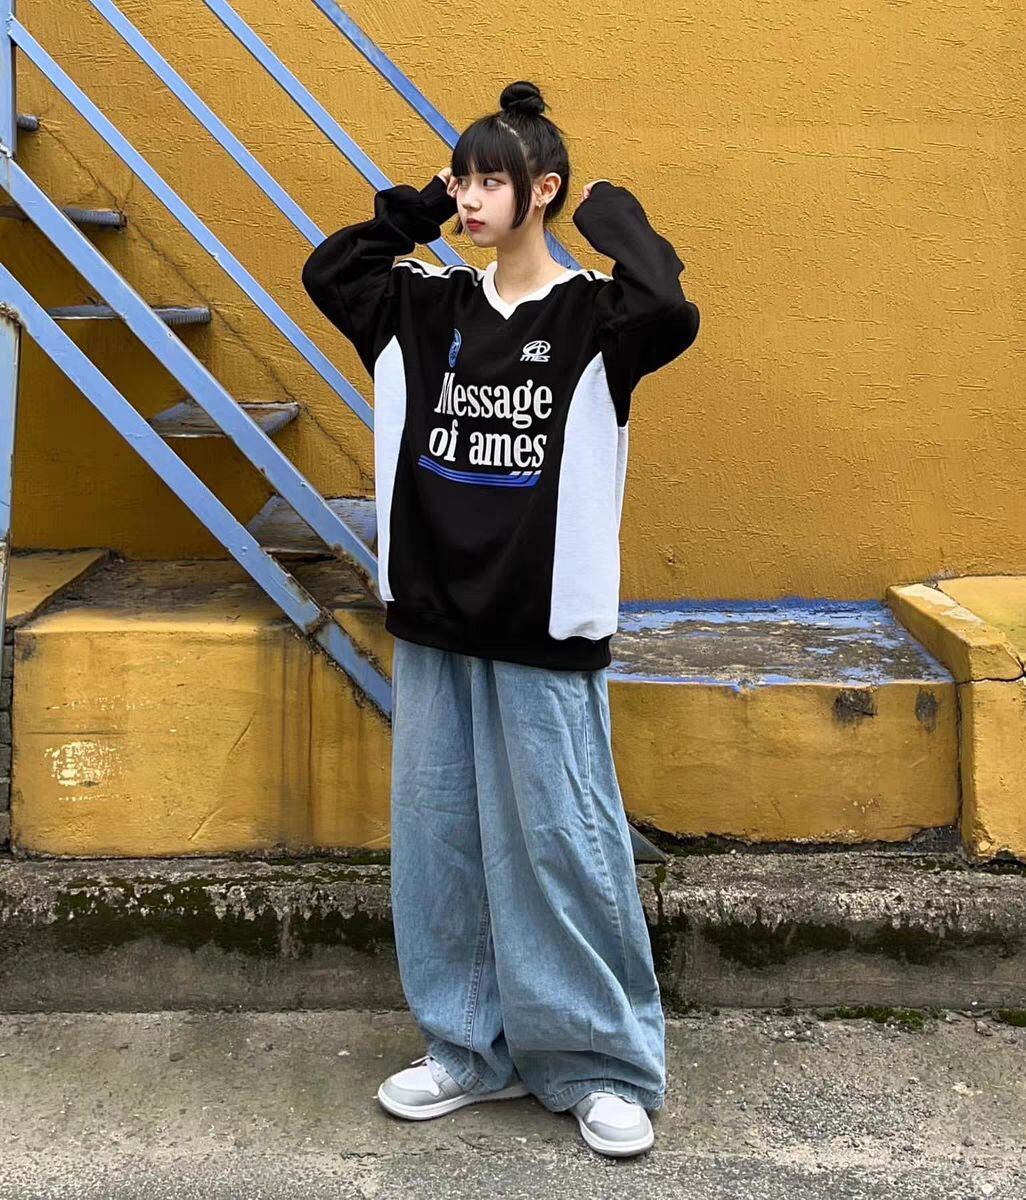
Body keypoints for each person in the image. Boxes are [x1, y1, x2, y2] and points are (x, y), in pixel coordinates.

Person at [301, 79, 700, 1158]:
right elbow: (330, 269)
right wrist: (421, 208)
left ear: (542, 190)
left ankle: (599, 1064)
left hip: (543, 625)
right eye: (462, 180)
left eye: (489, 181)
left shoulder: (596, 321)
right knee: (442, 845)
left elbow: (670, 308)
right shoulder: (421, 306)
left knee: (564, 846)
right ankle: (467, 1050)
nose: (470, 198)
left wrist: (613, 219)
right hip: (435, 618)